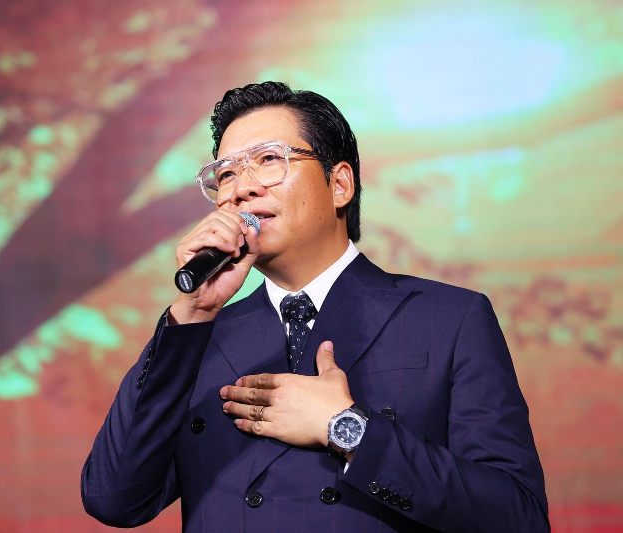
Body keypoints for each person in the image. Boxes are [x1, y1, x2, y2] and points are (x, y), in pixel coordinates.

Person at [80, 81, 549, 532]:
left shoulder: (448, 319)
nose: (240, 189)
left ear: (340, 184)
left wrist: (347, 429)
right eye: (226, 174)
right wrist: (192, 312)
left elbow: (517, 516)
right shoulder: (196, 337)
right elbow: (113, 498)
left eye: (268, 159)